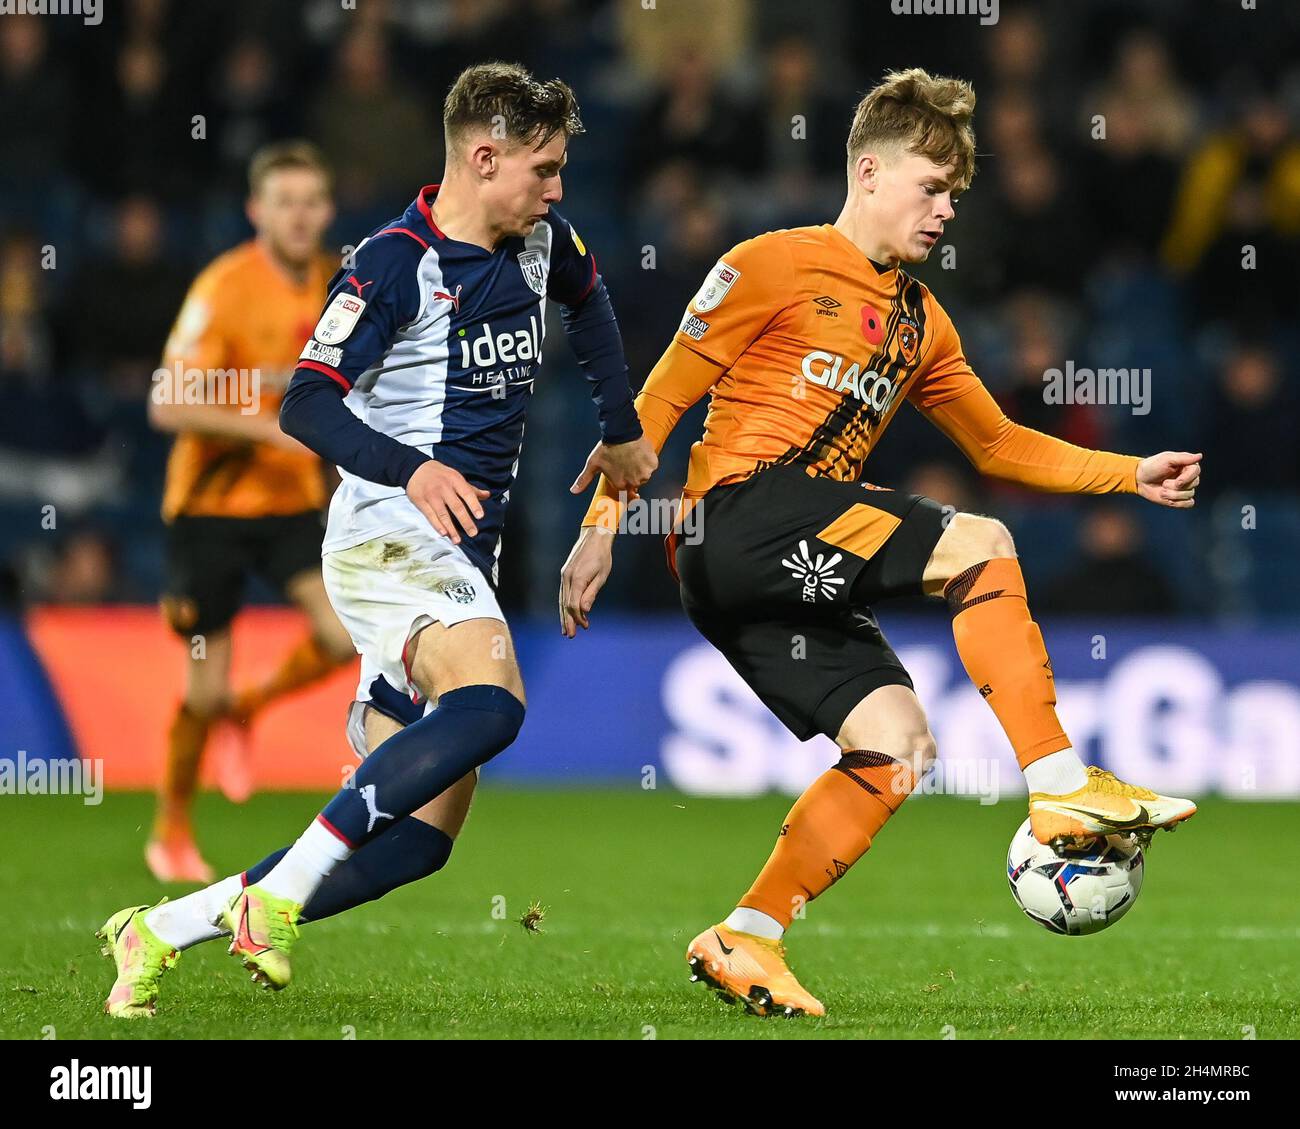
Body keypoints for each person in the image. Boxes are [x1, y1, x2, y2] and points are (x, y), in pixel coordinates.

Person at [560, 68, 1201, 1018]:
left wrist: (1128, 471)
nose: (945, 212)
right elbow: (655, 401)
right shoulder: (770, 261)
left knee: (898, 745)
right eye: (930, 187)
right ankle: (1060, 782)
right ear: (867, 171)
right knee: (976, 541)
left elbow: (997, 443)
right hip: (736, 515)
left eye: (956, 195)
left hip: (771, 566)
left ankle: (749, 934)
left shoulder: (922, 322)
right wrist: (599, 528)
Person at [98, 62, 656, 1019]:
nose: (559, 189)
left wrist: (620, 429)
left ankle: (159, 928)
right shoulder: (395, 263)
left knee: (421, 840)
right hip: (387, 536)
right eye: (545, 169)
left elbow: (592, 300)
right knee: (492, 702)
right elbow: (308, 402)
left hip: (457, 552)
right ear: (485, 157)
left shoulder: (540, 240)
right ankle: (273, 897)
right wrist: (413, 467)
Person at [148, 141, 355, 882]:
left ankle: (251, 707)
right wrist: (266, 422)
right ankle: (170, 825)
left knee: (342, 636)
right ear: (256, 210)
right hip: (211, 507)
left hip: (291, 504)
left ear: (327, 210)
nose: (299, 216)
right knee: (201, 684)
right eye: (284, 202)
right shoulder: (225, 286)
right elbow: (167, 401)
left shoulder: (340, 284)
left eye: (311, 202)